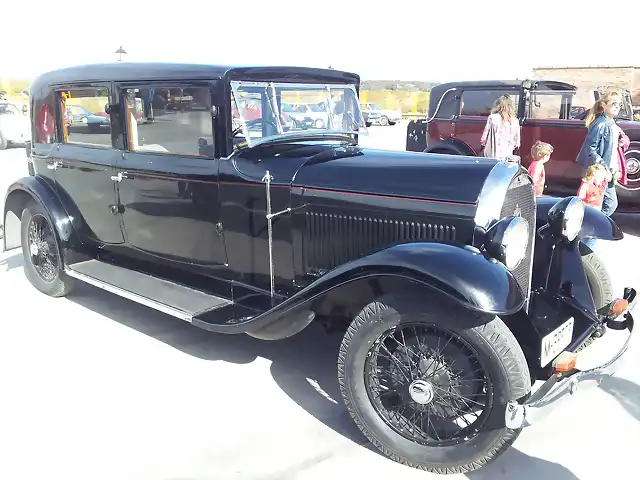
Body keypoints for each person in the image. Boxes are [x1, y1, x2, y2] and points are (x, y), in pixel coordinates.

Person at [575, 89, 625, 216]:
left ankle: (593, 224)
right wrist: (602, 167)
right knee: (601, 203)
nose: (617, 107)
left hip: (607, 170)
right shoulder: (600, 124)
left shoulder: (611, 123)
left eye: (619, 105)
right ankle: (593, 225)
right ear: (603, 105)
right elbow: (590, 148)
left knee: (608, 203)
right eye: (613, 104)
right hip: (599, 171)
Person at [480, 94, 520, 160]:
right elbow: (516, 143)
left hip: (492, 154)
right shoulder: (515, 121)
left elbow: (483, 139)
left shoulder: (492, 118)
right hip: (507, 155)